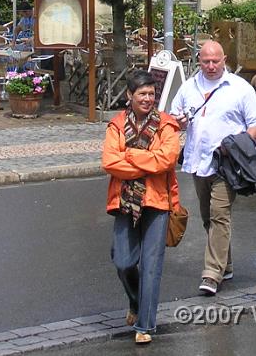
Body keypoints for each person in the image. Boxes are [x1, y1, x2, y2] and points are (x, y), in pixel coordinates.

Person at [170, 40, 256, 296]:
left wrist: (239, 148)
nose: (211, 66)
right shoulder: (189, 87)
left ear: (224, 59)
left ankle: (212, 273)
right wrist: (178, 122)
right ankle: (227, 264)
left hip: (227, 165)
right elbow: (174, 118)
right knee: (207, 218)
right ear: (198, 61)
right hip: (197, 161)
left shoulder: (239, 88)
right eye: (206, 61)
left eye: (216, 61)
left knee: (219, 214)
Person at [101, 71, 181, 344]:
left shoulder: (167, 125)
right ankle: (135, 300)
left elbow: (167, 160)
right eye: (142, 94)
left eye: (151, 94)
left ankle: (145, 326)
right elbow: (110, 162)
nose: (147, 99)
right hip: (124, 202)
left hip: (157, 201)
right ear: (129, 96)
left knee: (151, 265)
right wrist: (147, 160)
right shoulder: (117, 124)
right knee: (123, 261)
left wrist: (131, 156)